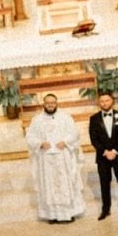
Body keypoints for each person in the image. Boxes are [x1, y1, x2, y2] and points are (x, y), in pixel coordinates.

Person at [26, 94, 85, 222]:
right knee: (49, 185)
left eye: (53, 102)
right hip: (45, 158)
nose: (50, 105)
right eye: (48, 103)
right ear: (44, 104)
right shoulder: (37, 120)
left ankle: (68, 213)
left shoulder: (65, 117)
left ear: (56, 103)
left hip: (62, 155)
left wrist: (65, 141)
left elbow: (74, 132)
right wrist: (40, 143)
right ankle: (51, 215)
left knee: (65, 183)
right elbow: (30, 136)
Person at [88, 92, 118, 220]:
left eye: (107, 100)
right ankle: (106, 209)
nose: (105, 103)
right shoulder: (94, 119)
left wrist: (115, 151)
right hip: (103, 157)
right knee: (104, 183)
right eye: (102, 101)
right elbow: (94, 139)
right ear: (99, 103)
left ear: (112, 101)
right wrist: (105, 152)